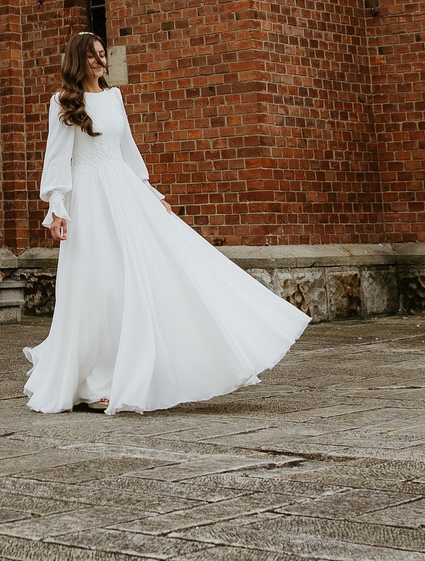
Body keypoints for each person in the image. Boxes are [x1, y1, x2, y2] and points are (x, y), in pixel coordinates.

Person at [24, 31, 310, 415]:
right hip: (89, 200)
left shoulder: (115, 98)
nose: (99, 61)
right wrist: (57, 208)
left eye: (102, 55)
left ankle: (119, 375)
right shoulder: (63, 103)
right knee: (98, 284)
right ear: (78, 60)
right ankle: (89, 384)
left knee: (136, 280)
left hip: (124, 196)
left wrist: (152, 193)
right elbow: (57, 159)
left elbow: (128, 152)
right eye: (91, 56)